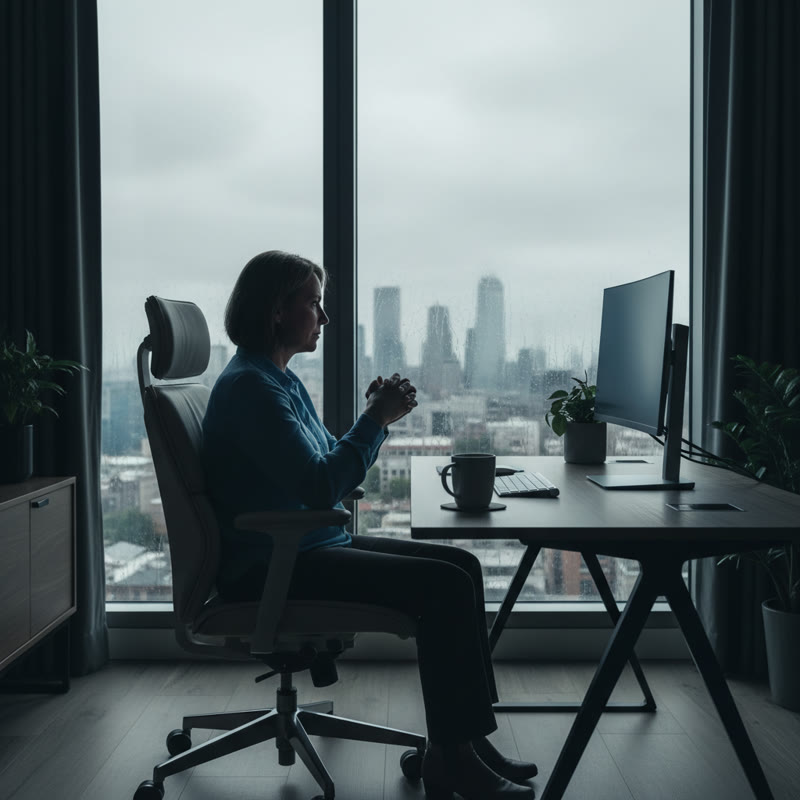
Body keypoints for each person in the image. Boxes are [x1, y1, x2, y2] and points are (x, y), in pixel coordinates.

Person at [202, 250, 538, 799]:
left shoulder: (276, 380)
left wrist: (375, 420)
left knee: (462, 565)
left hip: (306, 547)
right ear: (276, 312)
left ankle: (466, 742)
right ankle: (452, 760)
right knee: (446, 585)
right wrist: (374, 420)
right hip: (275, 566)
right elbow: (319, 484)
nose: (324, 317)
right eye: (314, 303)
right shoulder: (252, 389)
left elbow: (327, 461)